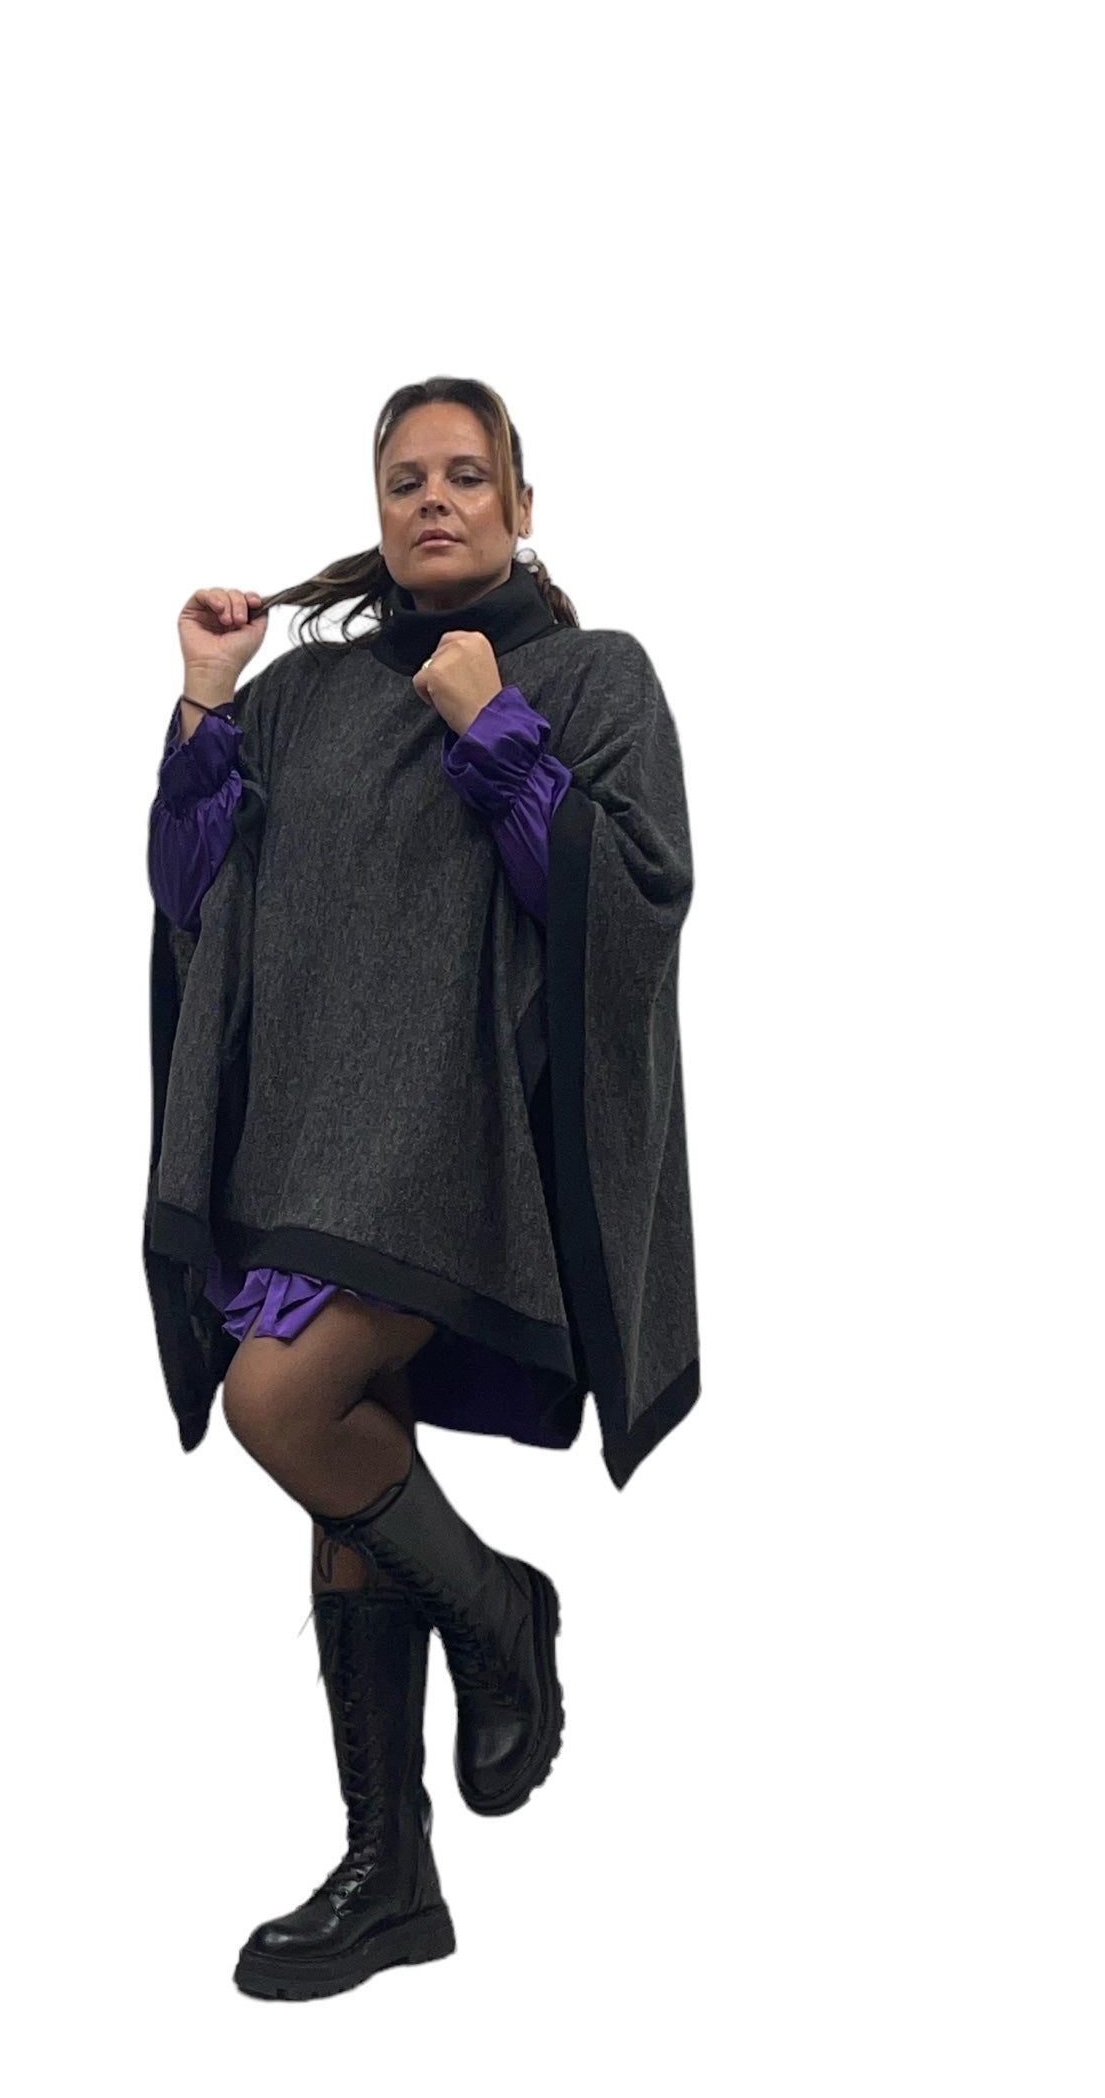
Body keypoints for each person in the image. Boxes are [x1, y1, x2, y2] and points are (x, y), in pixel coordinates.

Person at [142, 375, 699, 2001]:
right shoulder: (303, 697)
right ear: (377, 511)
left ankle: (501, 1613)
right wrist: (205, 705)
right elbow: (193, 889)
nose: (434, 499)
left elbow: (632, 900)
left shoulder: (591, 675)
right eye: (405, 480)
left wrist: (494, 727)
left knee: (283, 1402)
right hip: (305, 1137)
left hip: (462, 1150)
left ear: (523, 506)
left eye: (466, 475)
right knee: (346, 1462)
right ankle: (389, 1874)